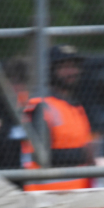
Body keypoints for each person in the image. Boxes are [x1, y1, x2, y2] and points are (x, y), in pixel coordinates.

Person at [21, 45, 94, 190]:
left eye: (74, 66)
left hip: (77, 192)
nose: (72, 72)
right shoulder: (40, 105)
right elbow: (40, 156)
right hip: (47, 194)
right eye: (64, 67)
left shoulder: (75, 107)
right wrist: (82, 155)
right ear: (50, 70)